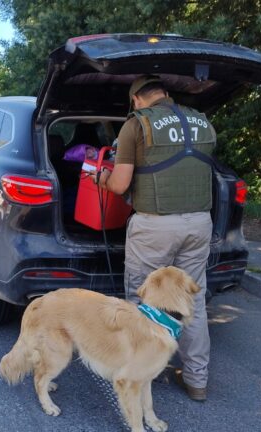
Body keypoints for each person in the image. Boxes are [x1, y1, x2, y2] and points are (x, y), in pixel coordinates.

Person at [97, 75, 215, 401]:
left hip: (155, 227)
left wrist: (102, 178)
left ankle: (139, 373)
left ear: (136, 100)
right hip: (199, 223)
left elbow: (120, 185)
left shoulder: (136, 125)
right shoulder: (200, 121)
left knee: (142, 302)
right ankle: (197, 381)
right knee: (192, 301)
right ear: (165, 94)